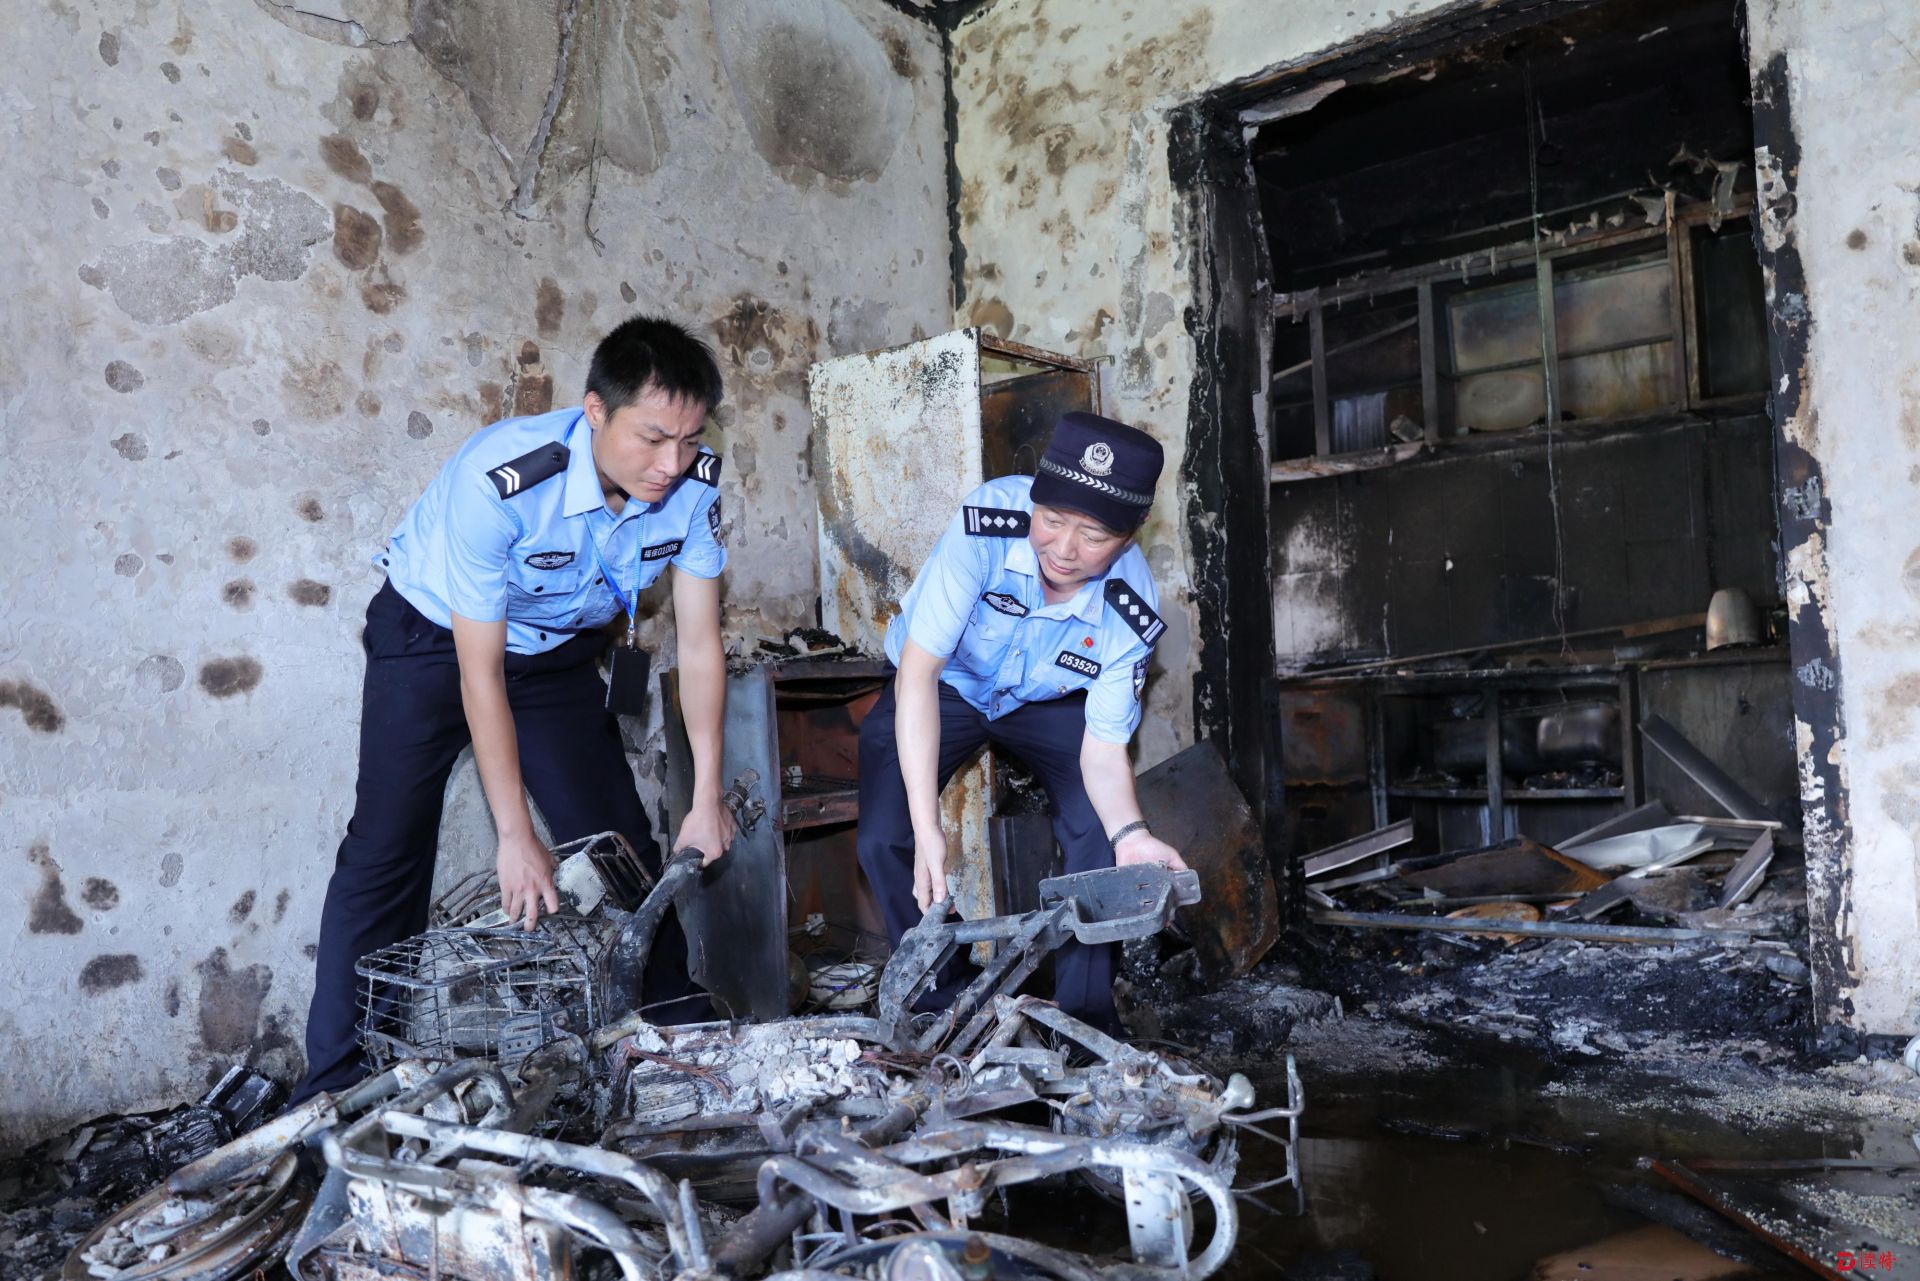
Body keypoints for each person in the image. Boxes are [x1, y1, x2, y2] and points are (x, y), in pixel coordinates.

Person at [292, 315, 737, 1103]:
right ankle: (336, 1085)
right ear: (595, 410)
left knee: (618, 842)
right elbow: (480, 672)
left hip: (556, 650)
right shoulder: (505, 478)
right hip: (433, 638)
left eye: (690, 440)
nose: (672, 463)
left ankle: (684, 1039)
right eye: (652, 437)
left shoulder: (690, 490)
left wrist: (706, 798)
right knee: (388, 848)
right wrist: (513, 834)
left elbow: (701, 645)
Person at [855, 411, 1187, 1033]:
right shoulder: (986, 527)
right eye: (1053, 520)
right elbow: (919, 674)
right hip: (946, 684)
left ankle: (1085, 1020)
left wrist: (1131, 833)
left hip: (1045, 701)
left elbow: (1105, 753)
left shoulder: (1129, 610)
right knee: (886, 834)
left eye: (1093, 535)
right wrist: (929, 828)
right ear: (1034, 497)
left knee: (1095, 829)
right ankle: (943, 1006)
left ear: (1133, 531)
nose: (1063, 549)